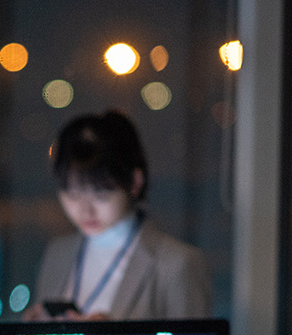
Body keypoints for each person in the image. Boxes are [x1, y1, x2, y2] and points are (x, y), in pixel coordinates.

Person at [23, 110, 211, 320]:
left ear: (134, 183)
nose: (86, 210)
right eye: (72, 194)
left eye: (101, 195)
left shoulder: (177, 264)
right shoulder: (58, 253)